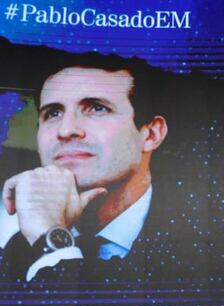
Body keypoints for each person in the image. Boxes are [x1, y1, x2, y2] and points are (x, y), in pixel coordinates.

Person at [0, 52, 169, 282]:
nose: (66, 130)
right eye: (53, 113)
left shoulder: (207, 242)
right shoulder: (14, 245)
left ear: (151, 134)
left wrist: (49, 242)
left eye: (97, 108)